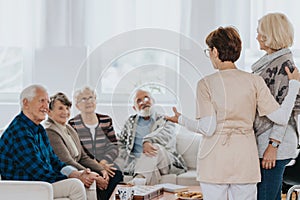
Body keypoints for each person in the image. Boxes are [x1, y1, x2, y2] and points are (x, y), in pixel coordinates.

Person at [165, 26, 300, 200]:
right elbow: (281, 117)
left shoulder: (206, 84)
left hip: (214, 160)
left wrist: (181, 120)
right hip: (245, 160)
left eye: (209, 51)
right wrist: (294, 85)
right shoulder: (254, 81)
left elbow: (208, 128)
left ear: (214, 51)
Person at [0, 84, 98, 200]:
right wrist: (74, 178)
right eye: (41, 101)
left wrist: (76, 173)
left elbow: (54, 160)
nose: (46, 107)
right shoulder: (19, 131)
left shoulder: (39, 129)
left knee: (86, 180)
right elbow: (39, 171)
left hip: (39, 182)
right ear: (26, 103)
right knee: (75, 185)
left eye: (47, 102)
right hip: (23, 187)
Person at [251, 13, 300, 200]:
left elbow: (285, 110)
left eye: (259, 32)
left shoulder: (284, 65)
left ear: (270, 34)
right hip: (270, 142)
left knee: (265, 197)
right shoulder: (271, 62)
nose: (256, 36)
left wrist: (273, 145)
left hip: (275, 144)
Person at [45, 92, 122, 200]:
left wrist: (101, 169)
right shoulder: (50, 131)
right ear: (49, 112)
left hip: (79, 166)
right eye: (60, 108)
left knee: (115, 175)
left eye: (67, 108)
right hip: (67, 171)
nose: (65, 112)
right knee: (98, 180)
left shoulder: (68, 128)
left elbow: (83, 156)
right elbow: (67, 161)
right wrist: (93, 174)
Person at [114, 89, 187, 185]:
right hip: (138, 164)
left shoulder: (165, 120)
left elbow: (164, 135)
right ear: (134, 108)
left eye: (146, 98)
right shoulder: (130, 122)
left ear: (153, 101)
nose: (144, 102)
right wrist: (126, 157)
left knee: (155, 148)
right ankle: (140, 185)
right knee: (151, 171)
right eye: (139, 101)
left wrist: (147, 141)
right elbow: (121, 142)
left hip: (164, 162)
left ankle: (138, 179)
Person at [68, 86, 122, 181]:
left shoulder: (106, 120)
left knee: (116, 174)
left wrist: (103, 163)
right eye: (83, 99)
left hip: (105, 162)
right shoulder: (73, 124)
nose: (88, 101)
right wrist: (97, 166)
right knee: (96, 178)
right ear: (77, 105)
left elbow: (113, 146)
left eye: (91, 98)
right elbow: (79, 151)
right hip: (86, 165)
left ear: (95, 100)